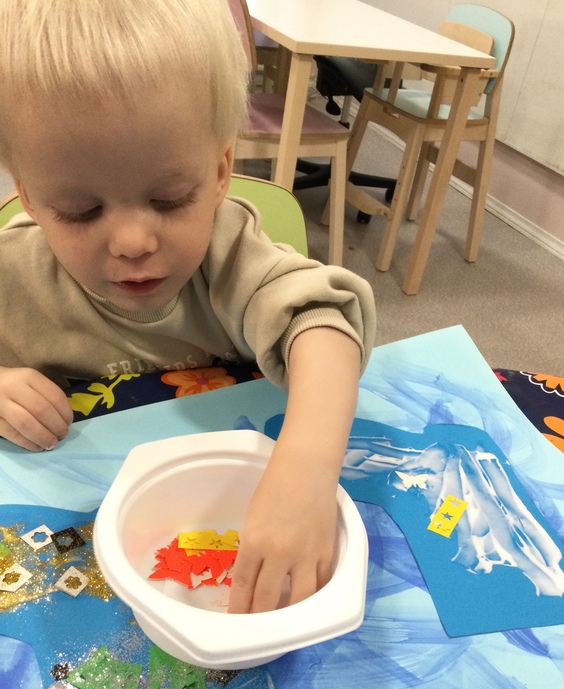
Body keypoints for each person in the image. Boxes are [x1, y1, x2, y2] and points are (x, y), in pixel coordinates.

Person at [0, 0, 376, 614]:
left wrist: (306, 472)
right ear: (31, 200)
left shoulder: (229, 253)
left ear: (222, 171)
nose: (133, 243)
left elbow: (323, 322)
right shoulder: (12, 278)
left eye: (171, 198)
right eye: (80, 211)